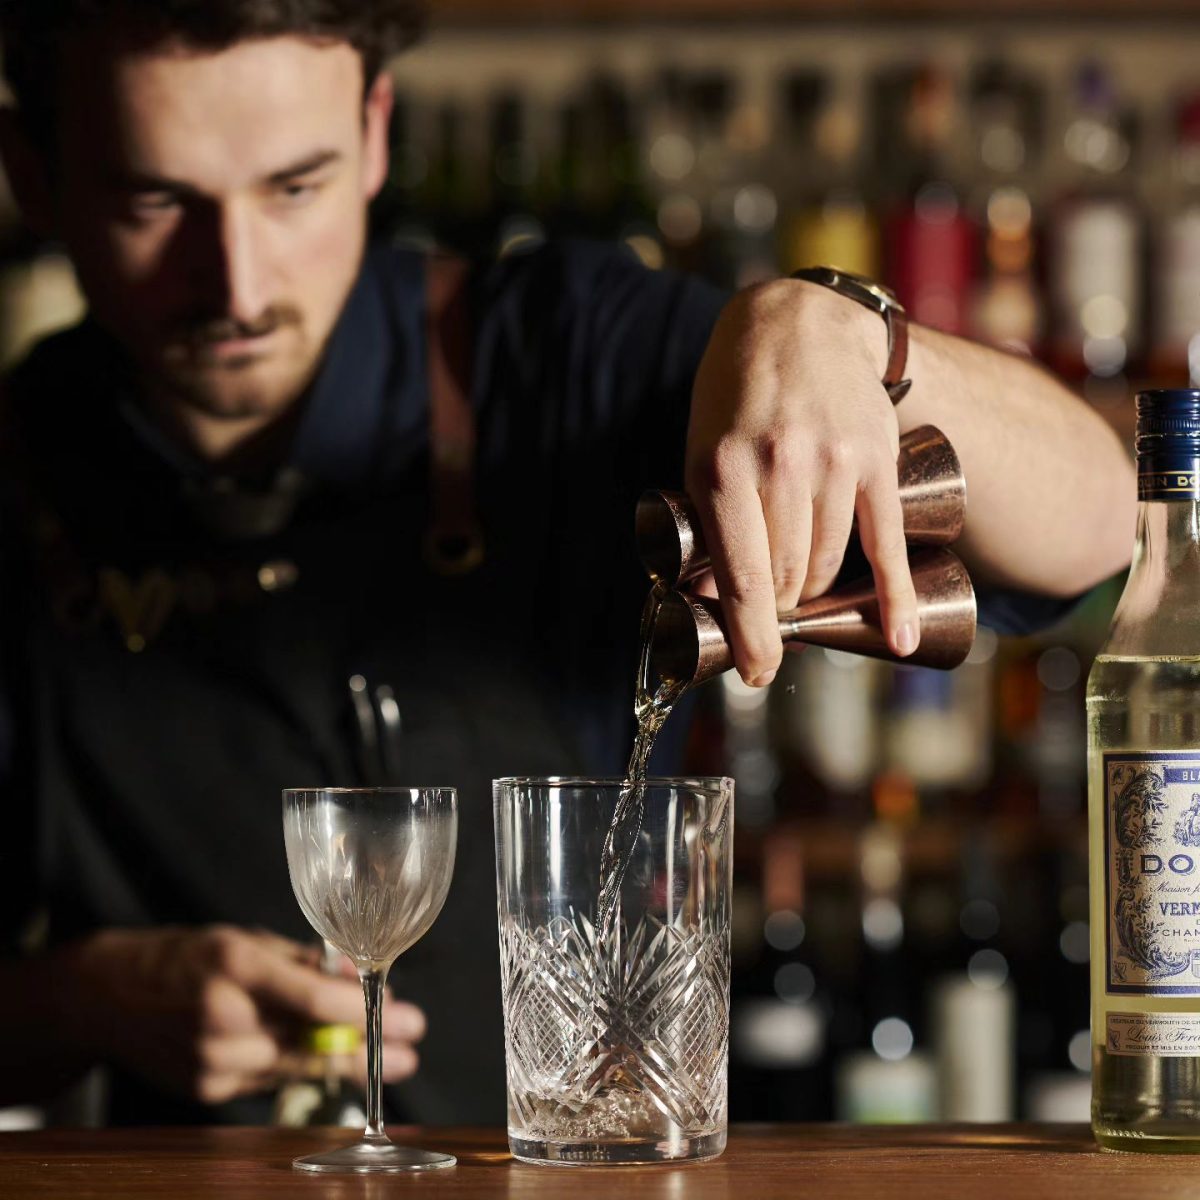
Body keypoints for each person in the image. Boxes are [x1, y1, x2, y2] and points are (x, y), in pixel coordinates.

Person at [0, 0, 1133, 1126]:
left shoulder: (561, 346)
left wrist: (840, 335)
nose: (238, 282)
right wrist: (78, 1001)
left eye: (296, 187)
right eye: (155, 200)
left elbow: (1096, 527)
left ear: (377, 131)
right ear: (32, 175)